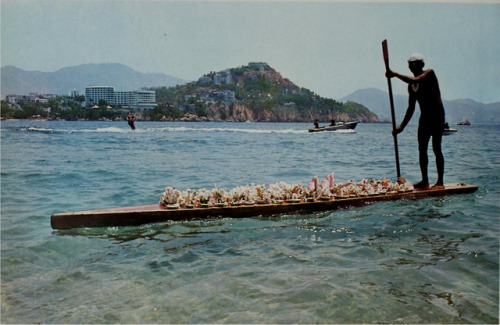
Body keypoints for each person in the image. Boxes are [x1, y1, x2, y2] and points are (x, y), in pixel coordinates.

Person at [386, 53, 445, 190]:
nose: (412, 66)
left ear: (421, 64)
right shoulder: (412, 86)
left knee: (436, 148)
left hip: (437, 117)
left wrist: (394, 74)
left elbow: (414, 80)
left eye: (415, 63)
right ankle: (425, 181)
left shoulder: (429, 74)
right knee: (422, 149)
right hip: (424, 118)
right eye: (410, 64)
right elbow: (411, 108)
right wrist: (401, 127)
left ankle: (440, 182)